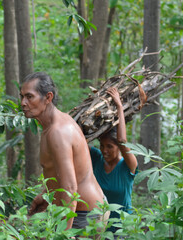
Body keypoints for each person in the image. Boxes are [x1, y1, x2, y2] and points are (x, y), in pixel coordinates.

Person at [20, 72, 108, 231]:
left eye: (29, 97)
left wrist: (64, 234)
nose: (23, 103)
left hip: (85, 215)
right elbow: (57, 174)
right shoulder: (49, 127)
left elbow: (70, 189)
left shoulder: (58, 132)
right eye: (22, 97)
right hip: (77, 211)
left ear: (48, 97)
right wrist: (45, 197)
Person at [89, 87, 138, 233]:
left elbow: (122, 139)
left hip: (122, 229)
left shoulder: (128, 165)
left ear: (118, 147)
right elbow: (79, 139)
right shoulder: (97, 159)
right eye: (102, 145)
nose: (104, 150)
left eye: (110, 146)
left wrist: (119, 107)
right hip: (98, 227)